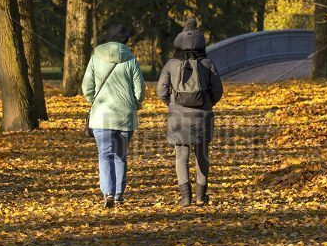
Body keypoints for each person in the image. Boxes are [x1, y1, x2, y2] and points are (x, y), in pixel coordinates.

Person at [157, 18, 223, 207]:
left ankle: (185, 197)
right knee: (202, 156)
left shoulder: (171, 64)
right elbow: (218, 90)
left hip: (179, 116)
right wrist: (208, 103)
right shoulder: (208, 63)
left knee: (181, 156)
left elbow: (161, 90)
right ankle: (201, 196)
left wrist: (171, 104)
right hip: (203, 114)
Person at [82, 24, 145, 208]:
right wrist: (135, 105)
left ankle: (108, 192)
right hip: (125, 115)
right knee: (120, 155)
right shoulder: (131, 60)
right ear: (125, 41)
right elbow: (139, 90)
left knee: (105, 154)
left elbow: (87, 87)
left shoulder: (95, 58)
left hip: (102, 115)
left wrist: (94, 101)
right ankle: (118, 194)